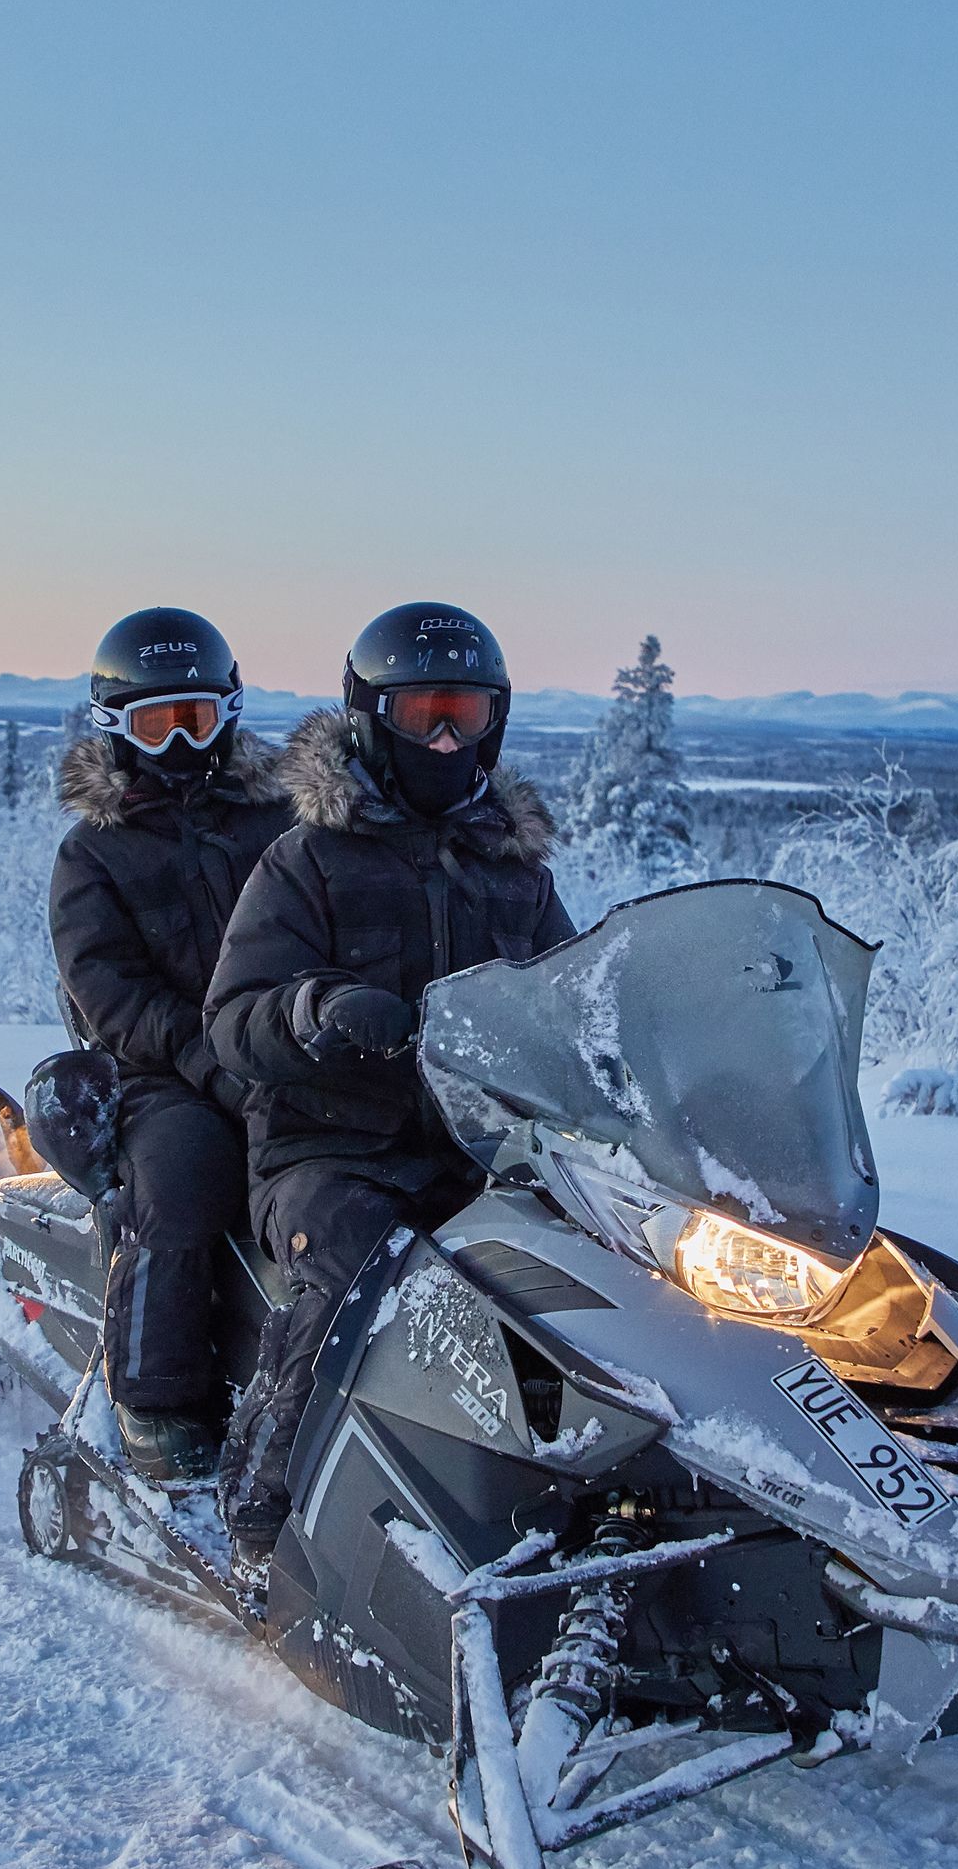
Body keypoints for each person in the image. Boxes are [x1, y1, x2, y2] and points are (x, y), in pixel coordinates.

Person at [202, 602, 574, 1557]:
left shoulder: (517, 876)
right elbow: (232, 1017)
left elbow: (574, 1002)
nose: (447, 738)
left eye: (466, 713)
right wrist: (313, 1013)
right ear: (371, 717)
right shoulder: (309, 860)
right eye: (423, 716)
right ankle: (264, 1501)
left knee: (597, 1271)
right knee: (359, 1262)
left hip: (479, 1150)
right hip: (332, 1153)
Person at [47, 609, 291, 1480]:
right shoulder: (95, 852)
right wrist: (208, 1059)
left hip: (283, 1049)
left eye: (198, 716)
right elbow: (107, 991)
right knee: (185, 1183)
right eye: (159, 723)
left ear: (229, 712)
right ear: (117, 729)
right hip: (160, 1070)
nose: (183, 740)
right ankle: (154, 1395)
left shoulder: (281, 819)